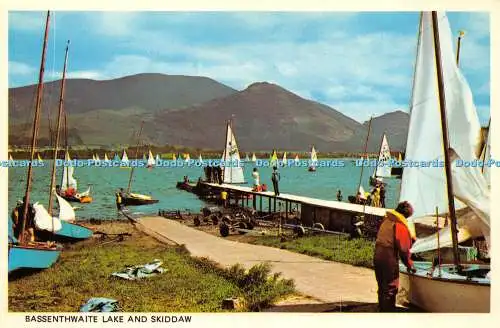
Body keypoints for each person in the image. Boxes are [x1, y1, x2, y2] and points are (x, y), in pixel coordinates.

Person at [374, 201, 416, 312]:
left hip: (377, 253)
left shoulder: (387, 220)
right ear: (405, 215)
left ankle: (382, 307)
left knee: (382, 283)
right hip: (388, 255)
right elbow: (404, 249)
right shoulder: (399, 225)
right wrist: (409, 264)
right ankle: (388, 312)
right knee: (391, 285)